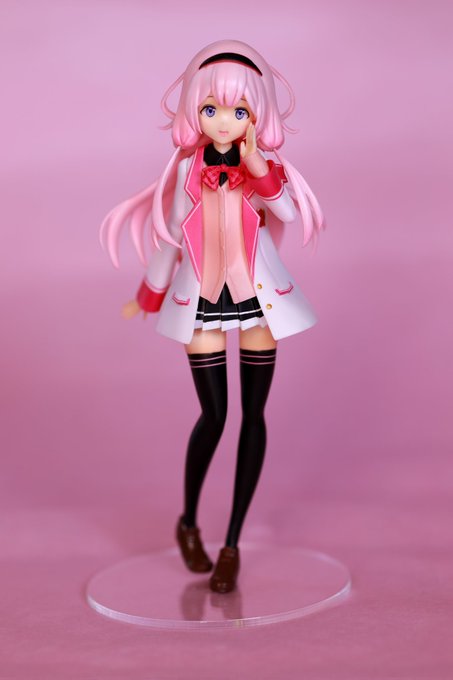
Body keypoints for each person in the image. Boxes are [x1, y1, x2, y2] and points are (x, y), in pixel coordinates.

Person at [100, 40, 323, 593]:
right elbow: (169, 238)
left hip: (258, 299)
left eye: (239, 111)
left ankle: (231, 545)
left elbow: (287, 211)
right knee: (214, 415)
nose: (224, 121)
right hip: (199, 299)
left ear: (257, 117)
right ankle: (188, 522)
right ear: (194, 113)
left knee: (254, 416)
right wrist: (148, 295)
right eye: (211, 109)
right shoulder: (185, 170)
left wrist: (258, 167)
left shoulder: (264, 169)